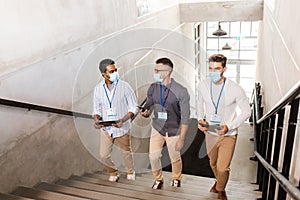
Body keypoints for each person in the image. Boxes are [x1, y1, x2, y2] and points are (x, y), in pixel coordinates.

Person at [197, 54, 251, 200]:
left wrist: (230, 126)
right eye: (210, 68)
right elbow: (199, 103)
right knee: (213, 163)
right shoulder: (202, 85)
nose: (213, 72)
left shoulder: (235, 89)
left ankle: (221, 190)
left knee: (223, 167)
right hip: (210, 133)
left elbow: (247, 111)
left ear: (224, 69)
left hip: (228, 134)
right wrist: (200, 119)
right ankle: (219, 181)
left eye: (217, 69)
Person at [140, 57, 190, 189]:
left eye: (158, 70)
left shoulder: (181, 91)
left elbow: (185, 117)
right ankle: (158, 179)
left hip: (173, 129)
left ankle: (176, 178)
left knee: (175, 157)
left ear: (168, 71)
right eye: (154, 70)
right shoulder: (153, 88)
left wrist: (182, 139)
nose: (155, 73)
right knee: (153, 156)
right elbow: (149, 105)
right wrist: (146, 112)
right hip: (157, 128)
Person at [93, 58, 138, 182]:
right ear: (104, 74)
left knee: (126, 152)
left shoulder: (125, 87)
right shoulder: (98, 89)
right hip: (107, 128)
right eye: (112, 71)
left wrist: (123, 119)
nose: (115, 73)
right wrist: (96, 120)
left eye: (116, 70)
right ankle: (113, 172)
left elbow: (134, 107)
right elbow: (96, 109)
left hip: (122, 127)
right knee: (104, 155)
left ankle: (130, 171)